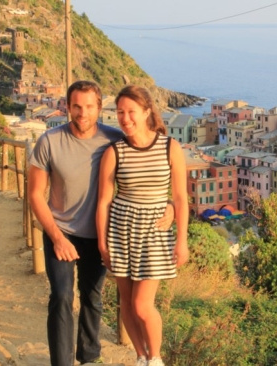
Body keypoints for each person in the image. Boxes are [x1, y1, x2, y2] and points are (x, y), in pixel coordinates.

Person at [28, 80, 174, 366]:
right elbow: (35, 194)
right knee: (61, 296)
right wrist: (57, 237)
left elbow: (147, 171)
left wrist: (167, 204)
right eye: (77, 106)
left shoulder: (114, 140)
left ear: (99, 108)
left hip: (99, 234)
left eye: (90, 107)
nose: (83, 113)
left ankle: (90, 357)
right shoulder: (50, 141)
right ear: (67, 107)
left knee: (92, 298)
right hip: (61, 231)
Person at [96, 85, 189, 366]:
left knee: (142, 305)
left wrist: (181, 239)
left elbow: (181, 198)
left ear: (147, 111)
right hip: (122, 229)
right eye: (120, 112)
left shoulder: (169, 147)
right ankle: (140, 356)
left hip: (155, 233)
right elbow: (104, 202)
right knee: (126, 301)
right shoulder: (115, 151)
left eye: (131, 112)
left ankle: (156, 358)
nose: (125, 118)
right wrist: (102, 244)